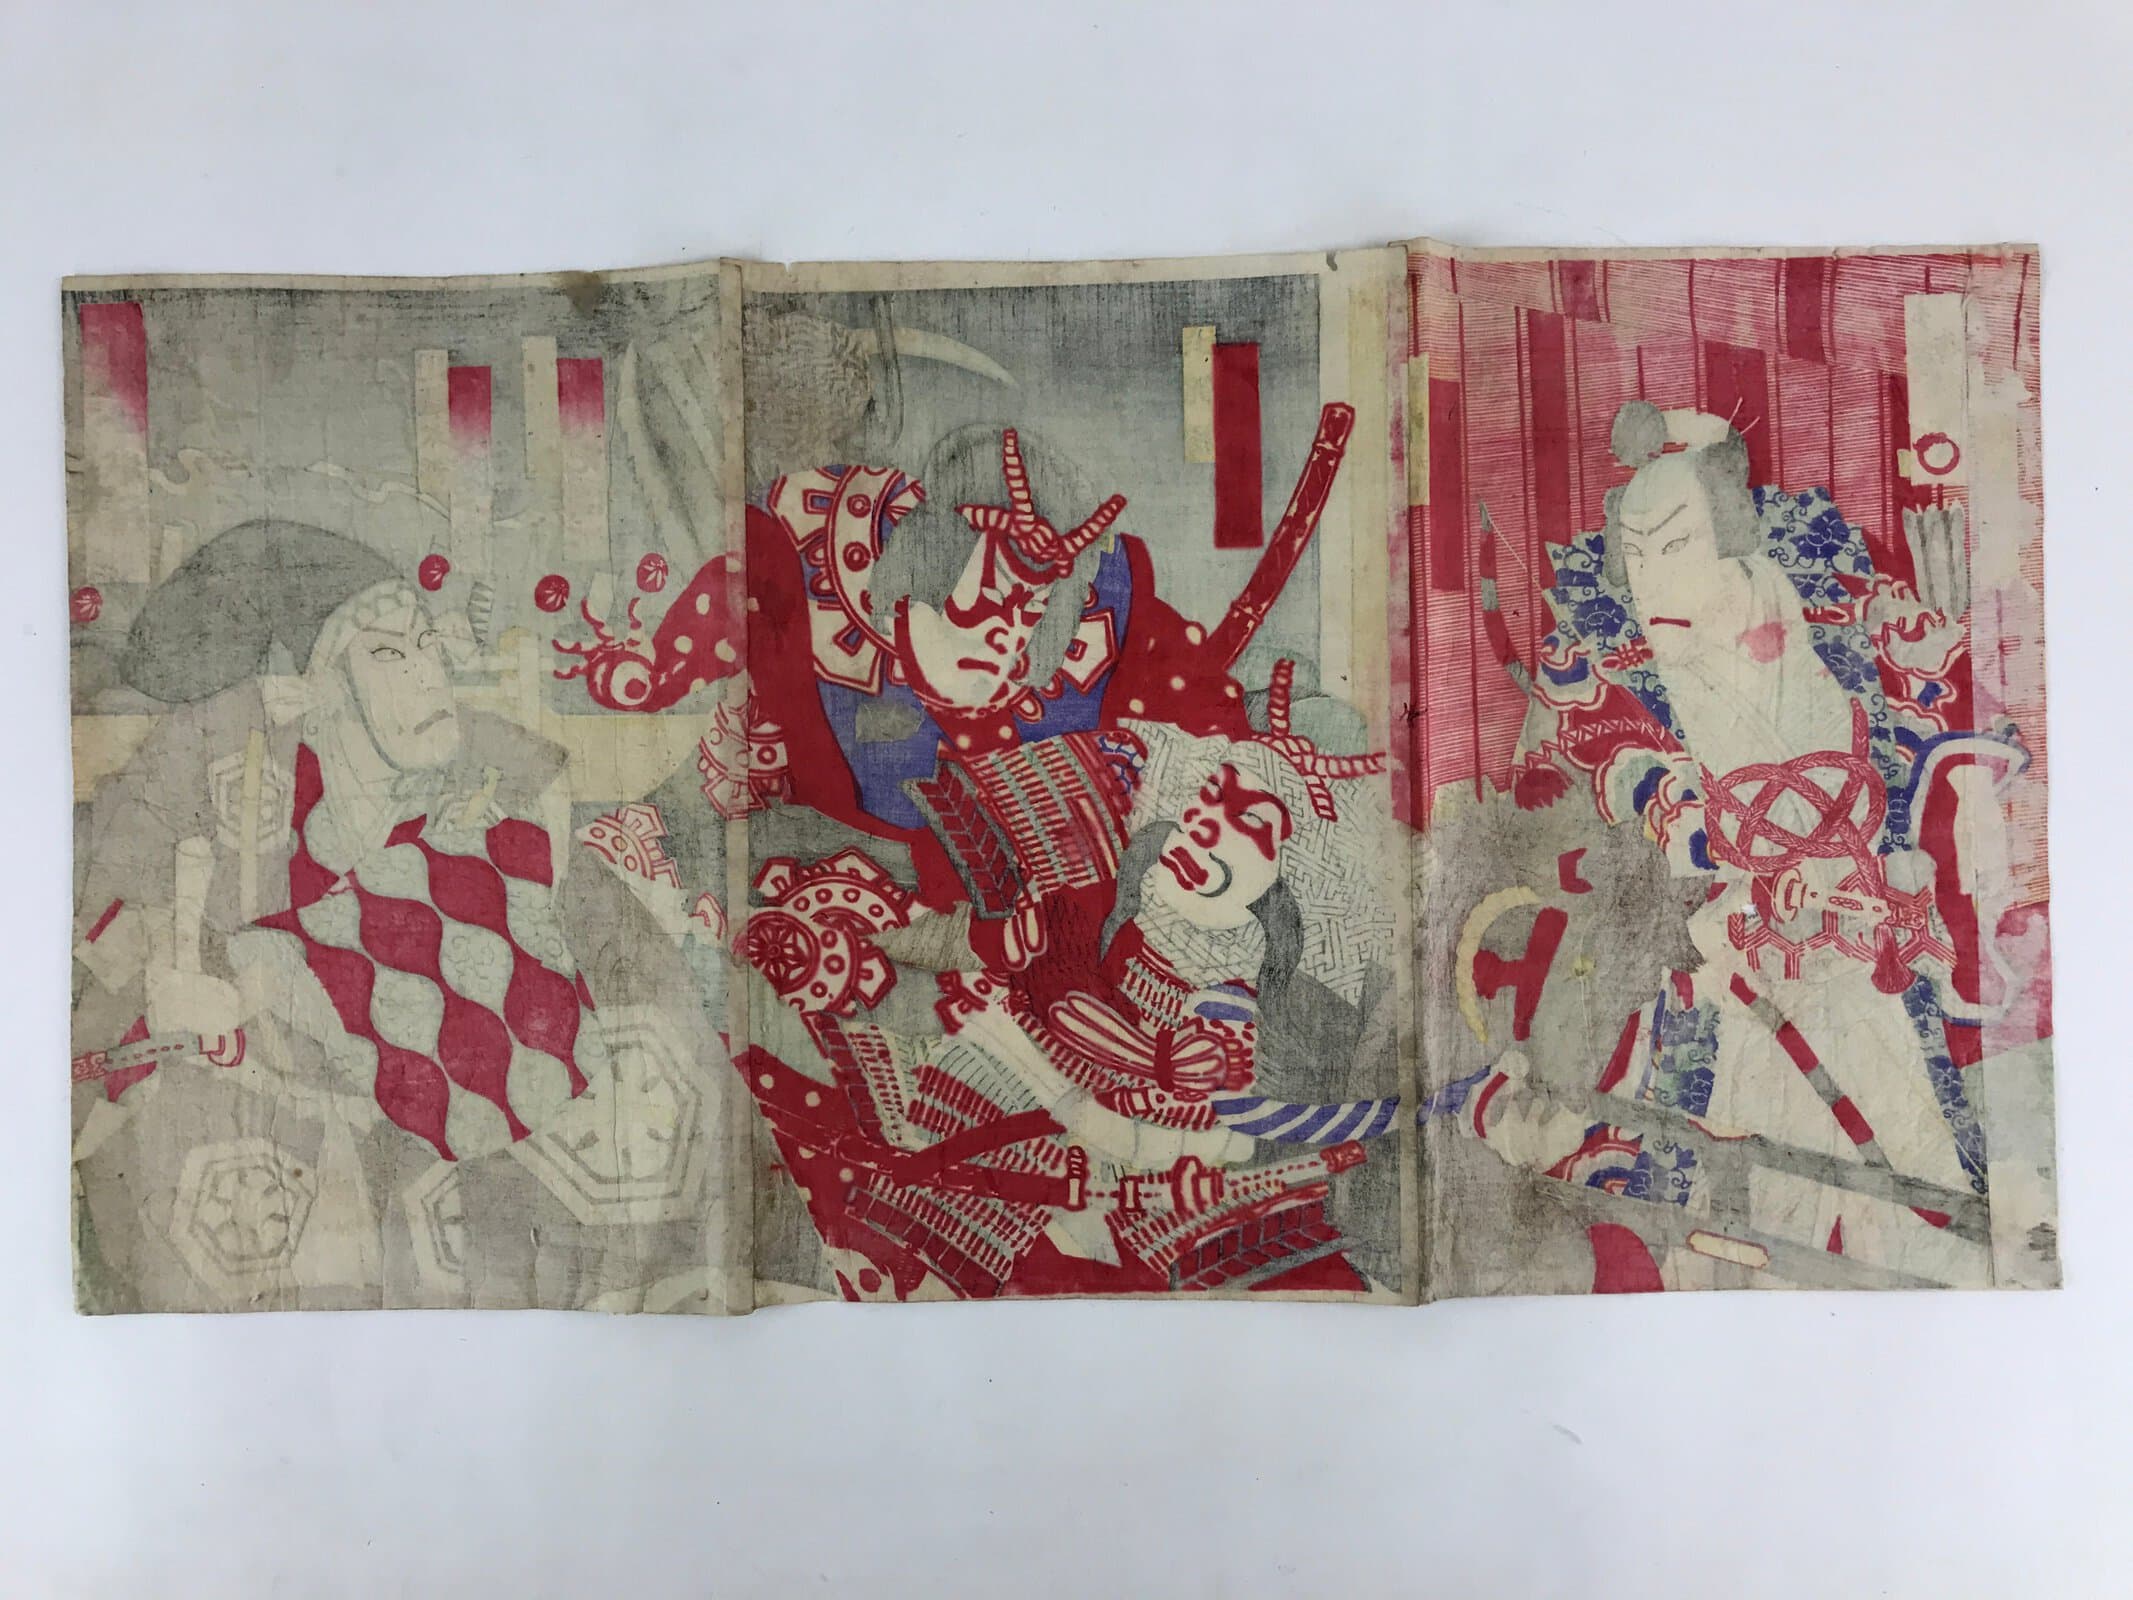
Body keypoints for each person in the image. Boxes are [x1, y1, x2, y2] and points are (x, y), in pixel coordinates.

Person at [1464, 403, 2027, 1280]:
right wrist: (1669, 806)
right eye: (1636, 555)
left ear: (1730, 534)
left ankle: (1928, 1251)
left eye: (1675, 544)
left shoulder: (1822, 610)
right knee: (1755, 1146)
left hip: (1858, 920)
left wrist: (1919, 671)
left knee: (1901, 1129)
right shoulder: (1620, 660)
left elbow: (1914, 717)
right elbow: (1602, 762)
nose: (1652, 577)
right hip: (1735, 941)